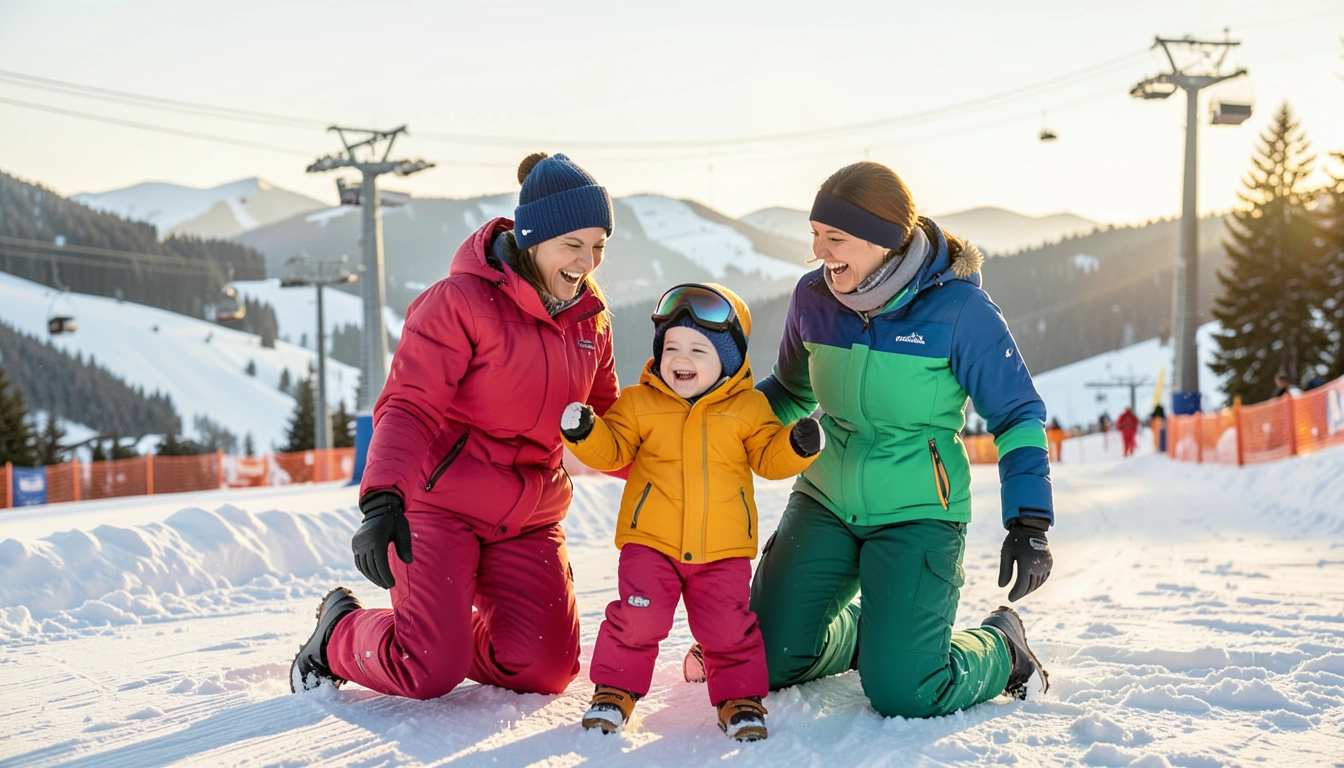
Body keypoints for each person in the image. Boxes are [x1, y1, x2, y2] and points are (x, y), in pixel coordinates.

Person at [291, 152, 621, 700]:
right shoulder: (458, 303)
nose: (587, 262)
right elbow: (408, 405)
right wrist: (382, 500)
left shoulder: (591, 321)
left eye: (598, 247)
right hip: (440, 507)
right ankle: (338, 635)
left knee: (545, 671)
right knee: (426, 671)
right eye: (573, 245)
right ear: (534, 237)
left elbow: (611, 429)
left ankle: (435, 634)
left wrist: (677, 461)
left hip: (528, 517)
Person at [734, 161, 1055, 719]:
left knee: (907, 690)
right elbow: (789, 391)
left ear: (882, 241)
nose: (818, 252)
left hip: (917, 513)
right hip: (825, 501)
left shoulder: (958, 311)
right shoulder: (814, 299)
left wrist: (1028, 521)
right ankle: (875, 636)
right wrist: (719, 427)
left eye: (834, 238)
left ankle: (1002, 647)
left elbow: (1018, 414)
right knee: (760, 660)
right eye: (814, 235)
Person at [560, 283, 822, 742]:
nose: (681, 358)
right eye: (673, 347)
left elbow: (768, 457)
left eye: (699, 349)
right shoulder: (640, 403)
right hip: (651, 544)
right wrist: (585, 433)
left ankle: (740, 699)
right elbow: (613, 449)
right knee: (637, 618)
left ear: (729, 359)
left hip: (722, 550)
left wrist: (796, 446)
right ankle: (614, 690)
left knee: (727, 626)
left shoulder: (748, 408)